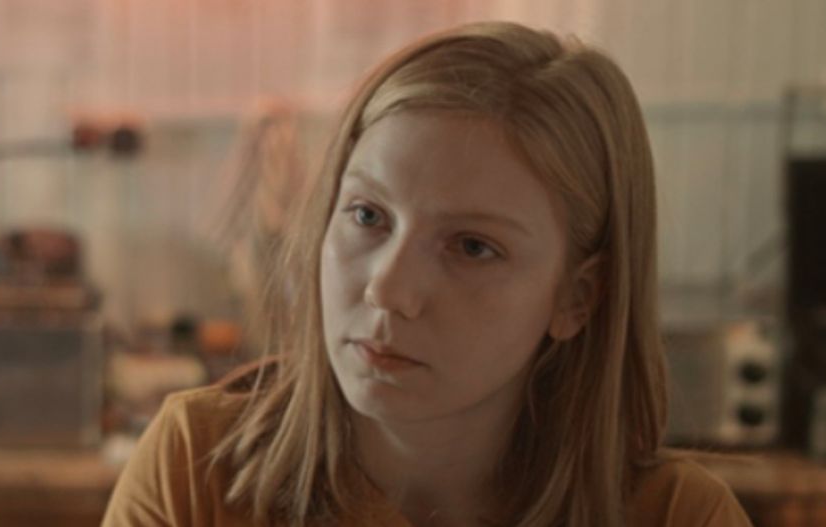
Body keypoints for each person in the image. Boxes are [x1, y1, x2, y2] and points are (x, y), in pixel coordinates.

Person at [101, 21, 754, 527]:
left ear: (577, 297)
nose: (387, 289)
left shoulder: (680, 516)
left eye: (472, 247)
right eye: (367, 215)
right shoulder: (197, 469)